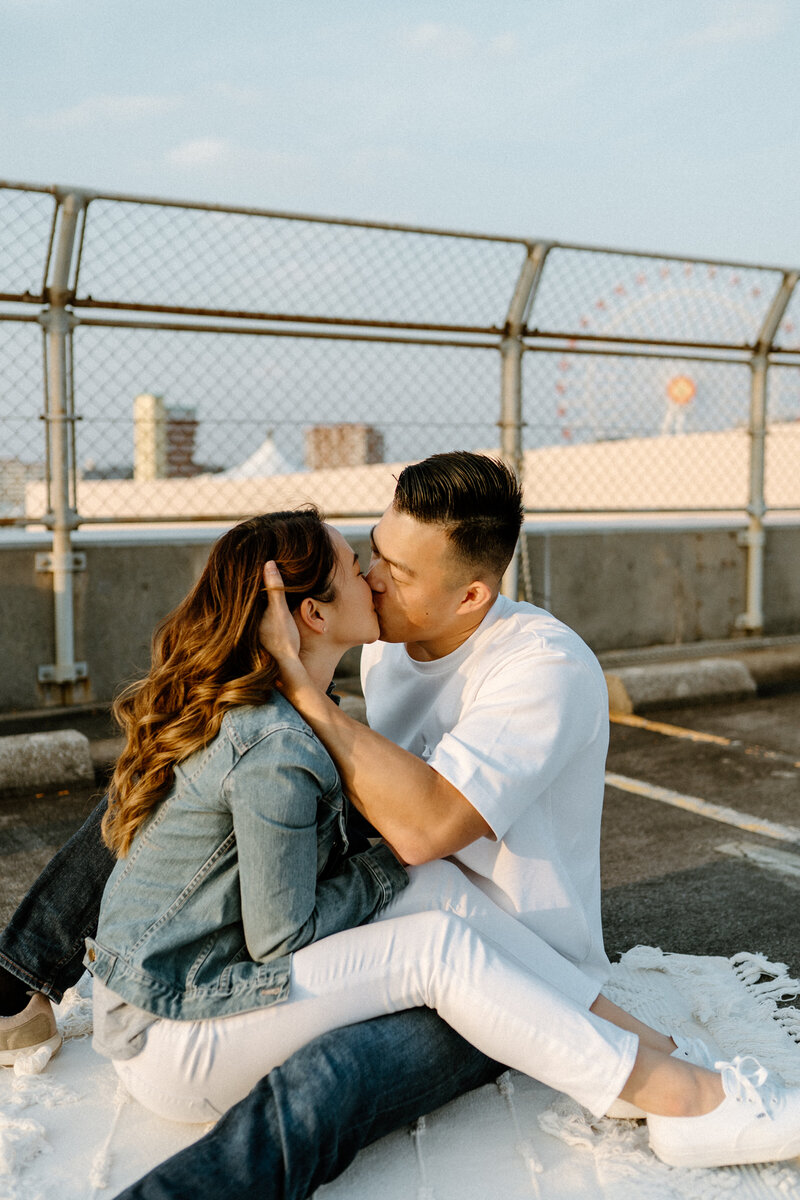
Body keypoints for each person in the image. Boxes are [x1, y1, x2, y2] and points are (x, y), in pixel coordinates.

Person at [0, 458, 798, 1195]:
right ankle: (21, 976)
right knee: (176, 781)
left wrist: (307, 703)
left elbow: (422, 834)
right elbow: (371, 846)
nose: (374, 579)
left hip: (514, 949)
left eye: (396, 572)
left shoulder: (540, 667)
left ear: (471, 597)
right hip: (398, 910)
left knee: (335, 1076)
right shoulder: (379, 653)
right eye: (370, 554)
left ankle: (660, 1075)